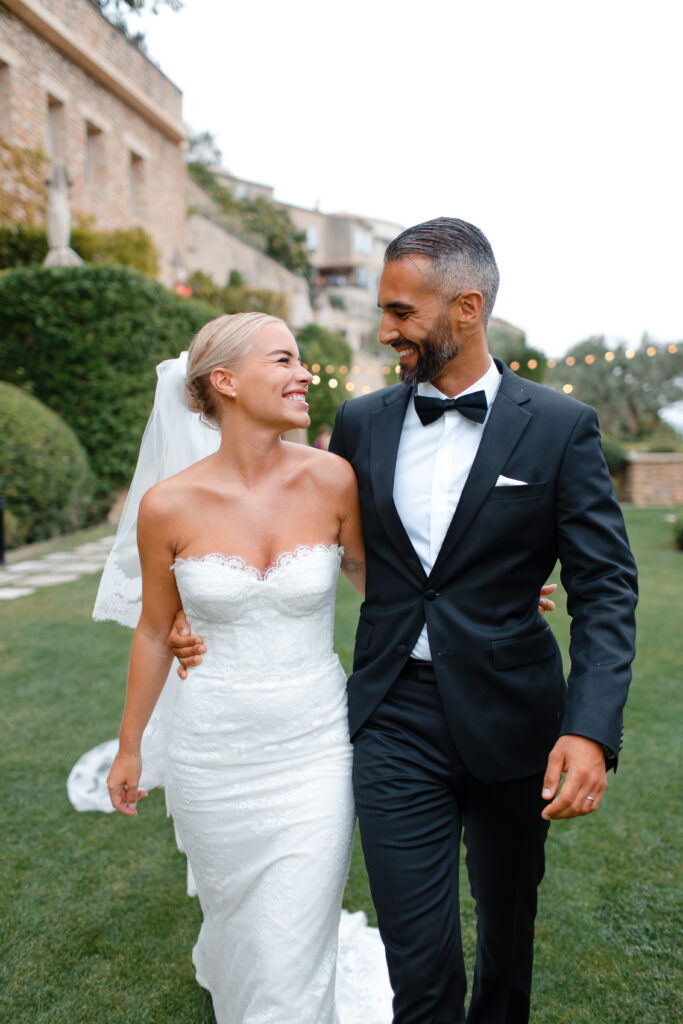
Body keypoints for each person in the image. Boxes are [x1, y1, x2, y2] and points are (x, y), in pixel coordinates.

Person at [169, 219, 638, 1024]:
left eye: (398, 313)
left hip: (512, 714)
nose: (384, 332)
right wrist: (194, 612)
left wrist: (590, 728)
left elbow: (603, 586)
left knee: (506, 931)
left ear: (465, 307)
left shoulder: (561, 426)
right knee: (417, 958)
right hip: (392, 716)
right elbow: (326, 547)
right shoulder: (362, 422)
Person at [105, 311, 371, 1024]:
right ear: (223, 381)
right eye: (283, 360)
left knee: (289, 954)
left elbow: (394, 591)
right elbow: (157, 631)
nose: (305, 373)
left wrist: (491, 600)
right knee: (238, 924)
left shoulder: (333, 480)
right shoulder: (167, 505)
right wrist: (131, 746)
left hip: (314, 748)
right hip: (210, 756)